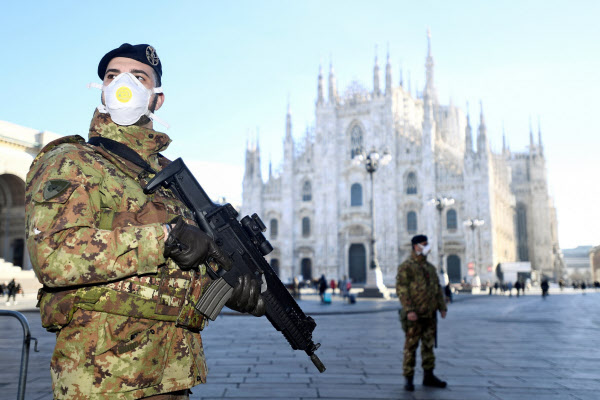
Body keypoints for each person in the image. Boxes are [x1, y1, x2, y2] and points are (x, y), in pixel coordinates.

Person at [25, 43, 265, 400]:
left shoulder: (171, 179)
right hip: (102, 377)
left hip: (172, 375)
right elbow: (54, 257)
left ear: (157, 98)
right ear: (102, 89)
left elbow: (175, 272)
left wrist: (229, 289)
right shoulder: (72, 160)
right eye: (112, 75)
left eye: (139, 77)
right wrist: (166, 238)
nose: (124, 85)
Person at [396, 235, 448, 392]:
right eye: (424, 245)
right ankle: (409, 378)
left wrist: (442, 307)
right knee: (411, 347)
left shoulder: (430, 268)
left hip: (430, 314)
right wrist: (410, 310)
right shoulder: (406, 266)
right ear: (415, 246)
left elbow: (437, 289)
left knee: (428, 346)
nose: (427, 247)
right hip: (415, 315)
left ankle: (428, 375)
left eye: (427, 244)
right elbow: (402, 290)